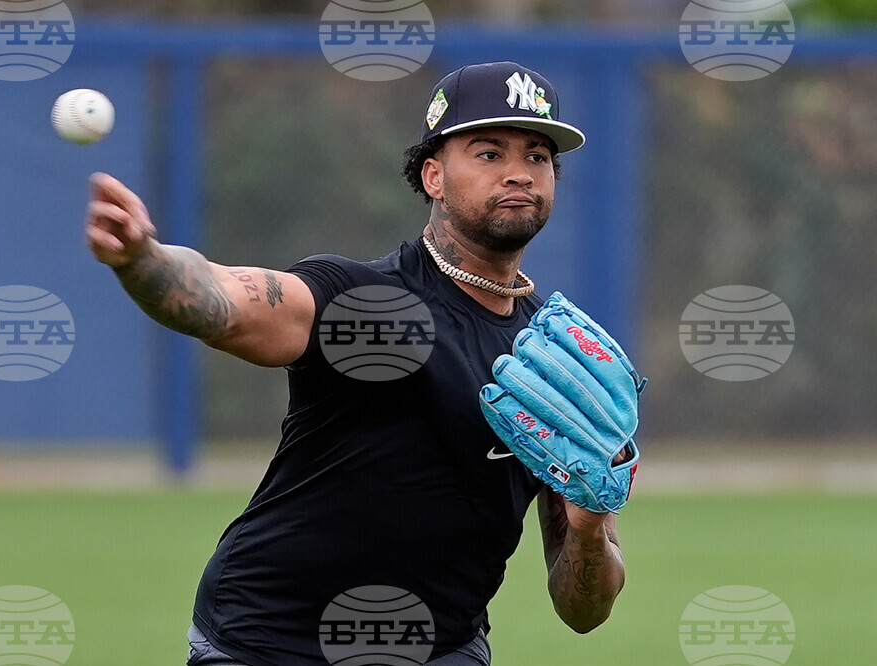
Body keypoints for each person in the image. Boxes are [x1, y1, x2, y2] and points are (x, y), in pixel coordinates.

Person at [86, 61, 630, 666]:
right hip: (269, 642)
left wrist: (586, 529)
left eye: (537, 155)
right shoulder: (363, 301)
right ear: (434, 176)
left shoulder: (559, 360)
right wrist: (141, 258)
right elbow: (226, 304)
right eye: (487, 152)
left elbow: (584, 612)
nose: (519, 173)